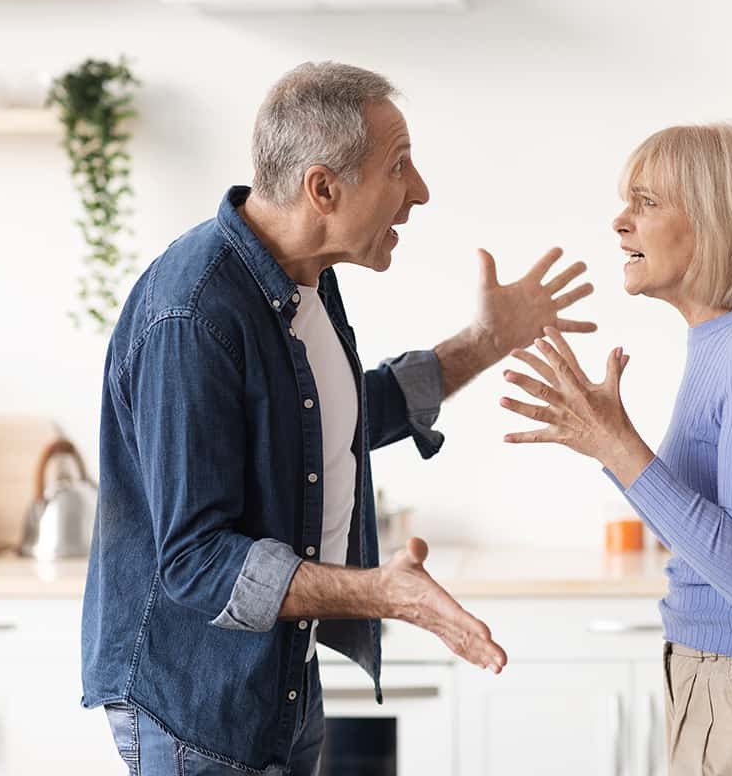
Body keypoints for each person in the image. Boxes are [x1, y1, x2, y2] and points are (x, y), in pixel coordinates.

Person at [80, 61, 597, 775]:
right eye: (400, 168)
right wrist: (378, 592)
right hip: (198, 705)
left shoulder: (304, 280)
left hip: (280, 682)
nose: (419, 193)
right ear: (323, 188)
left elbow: (343, 418)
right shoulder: (194, 313)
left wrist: (485, 343)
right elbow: (195, 561)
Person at [500, 121, 732, 775]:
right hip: (722, 677)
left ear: (715, 219)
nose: (619, 223)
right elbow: (697, 536)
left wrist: (621, 446)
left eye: (645, 202)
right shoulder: (725, 339)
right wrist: (605, 444)